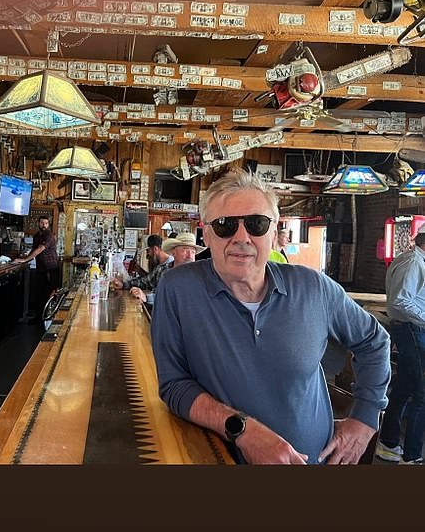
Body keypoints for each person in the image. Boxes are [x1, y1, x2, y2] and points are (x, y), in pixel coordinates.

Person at [151, 170, 391, 464]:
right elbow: (174, 385)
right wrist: (243, 431)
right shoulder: (178, 289)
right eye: (225, 225)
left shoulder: (313, 287)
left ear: (274, 231)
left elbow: (374, 341)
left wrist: (365, 418)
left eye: (256, 224)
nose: (242, 238)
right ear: (208, 233)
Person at [375, 223, 425, 464]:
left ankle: (388, 443)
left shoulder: (413, 260)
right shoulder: (414, 263)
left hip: (411, 329)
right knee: (422, 393)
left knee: (405, 386)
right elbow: (401, 302)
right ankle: (413, 456)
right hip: (411, 330)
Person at [130, 232, 205, 303]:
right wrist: (123, 284)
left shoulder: (197, 277)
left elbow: (176, 300)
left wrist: (147, 297)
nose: (190, 256)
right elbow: (146, 281)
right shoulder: (162, 269)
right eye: (185, 251)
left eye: (193, 252)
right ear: (174, 252)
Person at [19, 216, 60, 323]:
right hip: (41, 268)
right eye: (42, 223)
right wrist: (24, 259)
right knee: (40, 293)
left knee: (51, 293)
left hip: (51, 268)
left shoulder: (49, 235)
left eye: (46, 223)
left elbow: (40, 249)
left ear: (48, 225)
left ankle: (49, 317)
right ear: (38, 223)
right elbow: (33, 249)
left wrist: (26, 259)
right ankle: (39, 318)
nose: (44, 225)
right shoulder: (37, 236)